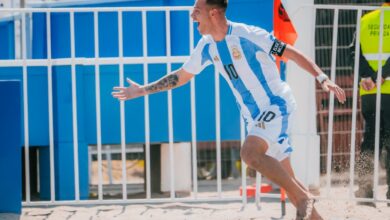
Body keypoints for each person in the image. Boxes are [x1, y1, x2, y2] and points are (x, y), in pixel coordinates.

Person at [112, 0, 346, 219]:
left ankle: (303, 198)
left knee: (249, 154)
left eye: (197, 10)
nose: (192, 15)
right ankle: (309, 206)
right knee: (290, 180)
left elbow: (290, 52)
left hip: (276, 104)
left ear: (213, 13)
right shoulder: (206, 46)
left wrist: (322, 77)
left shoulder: (249, 35)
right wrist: (142, 90)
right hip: (254, 118)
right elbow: (180, 76)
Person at [350, 0, 390, 206]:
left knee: (370, 140)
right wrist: (382, 75)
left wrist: (367, 77)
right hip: (388, 88)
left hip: (369, 91)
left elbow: (353, 52)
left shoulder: (366, 19)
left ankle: (364, 189)